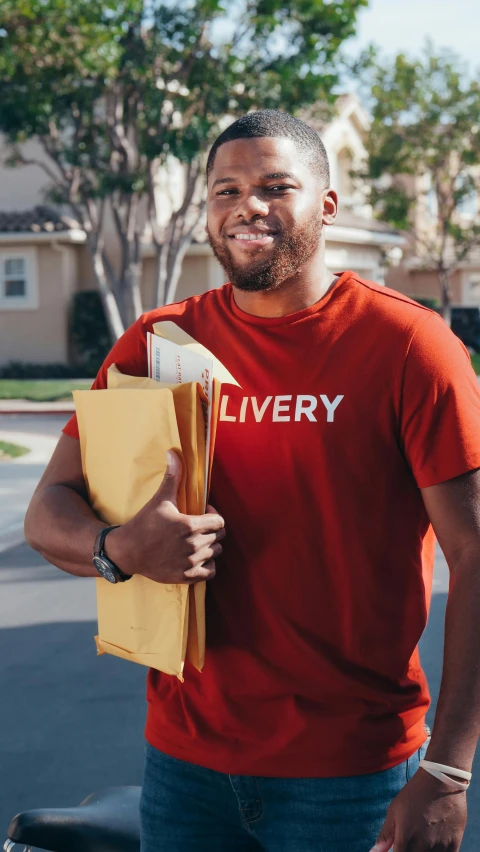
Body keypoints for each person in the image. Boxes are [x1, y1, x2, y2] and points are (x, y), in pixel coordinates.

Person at [25, 110, 480, 852]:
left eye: (276, 186)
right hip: (184, 765)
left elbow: (475, 553)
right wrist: (120, 548)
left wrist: (451, 769)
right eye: (226, 189)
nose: (248, 206)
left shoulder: (409, 346)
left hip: (350, 774)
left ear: (326, 206)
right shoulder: (159, 341)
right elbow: (48, 511)